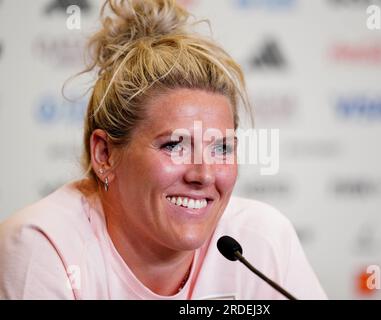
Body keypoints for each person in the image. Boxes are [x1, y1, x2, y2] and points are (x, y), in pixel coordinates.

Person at [0, 0, 326, 300]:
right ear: (104, 155)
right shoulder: (42, 245)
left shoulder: (262, 241)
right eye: (175, 145)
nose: (203, 174)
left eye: (221, 148)